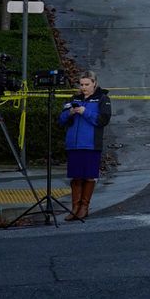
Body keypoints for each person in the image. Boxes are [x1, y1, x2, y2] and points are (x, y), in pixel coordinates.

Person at [58, 71, 112, 220]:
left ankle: (84, 207)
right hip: (73, 145)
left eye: (87, 84)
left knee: (88, 177)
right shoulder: (74, 99)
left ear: (94, 83)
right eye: (81, 84)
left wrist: (84, 112)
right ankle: (75, 207)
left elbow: (103, 120)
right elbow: (61, 120)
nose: (83, 88)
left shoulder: (102, 99)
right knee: (75, 177)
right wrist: (70, 112)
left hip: (90, 144)